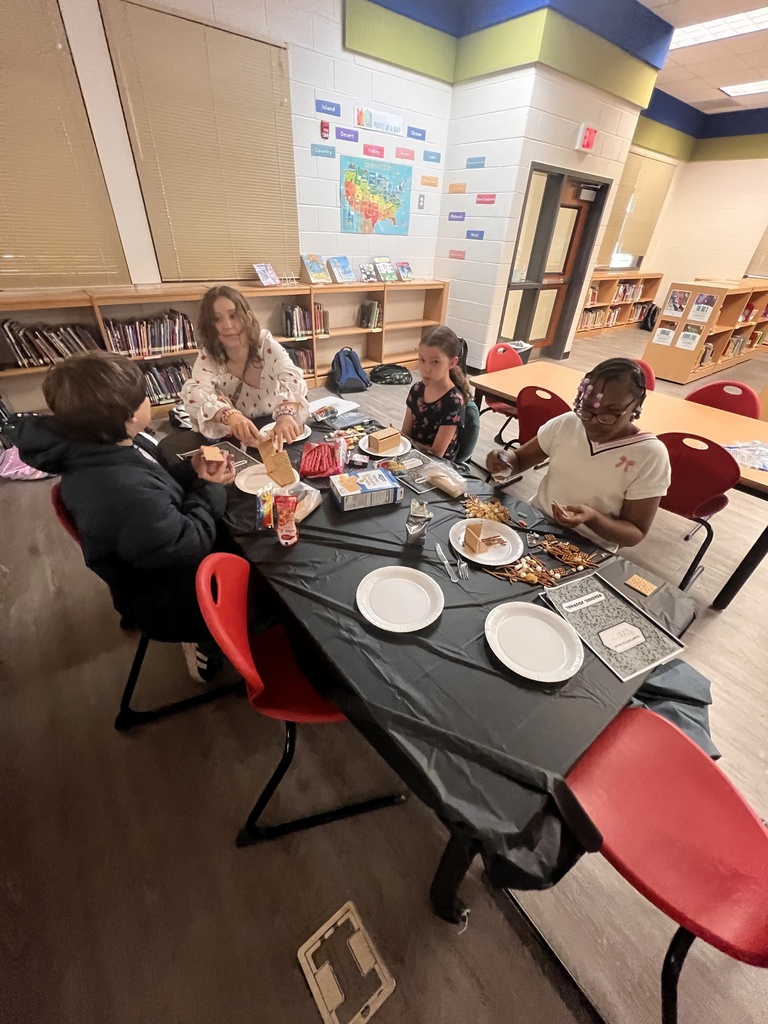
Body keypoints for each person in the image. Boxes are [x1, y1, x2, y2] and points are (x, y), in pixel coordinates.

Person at [6, 352, 237, 681]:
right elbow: (188, 544)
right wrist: (210, 488)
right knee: (262, 573)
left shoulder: (114, 442)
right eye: (144, 396)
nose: (149, 398)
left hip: (151, 551)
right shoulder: (116, 489)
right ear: (128, 416)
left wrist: (192, 471)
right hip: (167, 594)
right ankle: (203, 639)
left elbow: (159, 486)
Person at [486, 358, 671, 549]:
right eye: (588, 409)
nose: (593, 422)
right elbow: (519, 459)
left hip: (587, 546)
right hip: (536, 522)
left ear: (637, 405)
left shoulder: (649, 455)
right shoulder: (568, 423)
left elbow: (634, 533)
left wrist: (591, 518)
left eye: (611, 413)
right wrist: (503, 459)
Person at [181, 285, 309, 450]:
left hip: (274, 427)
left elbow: (292, 377)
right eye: (216, 319)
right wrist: (229, 415)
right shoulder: (209, 355)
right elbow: (194, 393)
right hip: (237, 436)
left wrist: (286, 415)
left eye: (233, 316)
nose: (227, 325)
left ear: (248, 317)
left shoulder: (266, 344)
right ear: (209, 326)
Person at [402, 326, 470, 460]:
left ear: (452, 363)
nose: (426, 369)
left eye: (435, 362)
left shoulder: (453, 401)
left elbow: (436, 454)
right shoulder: (416, 390)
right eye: (422, 360)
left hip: (436, 468)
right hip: (410, 459)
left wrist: (405, 442)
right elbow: (406, 434)